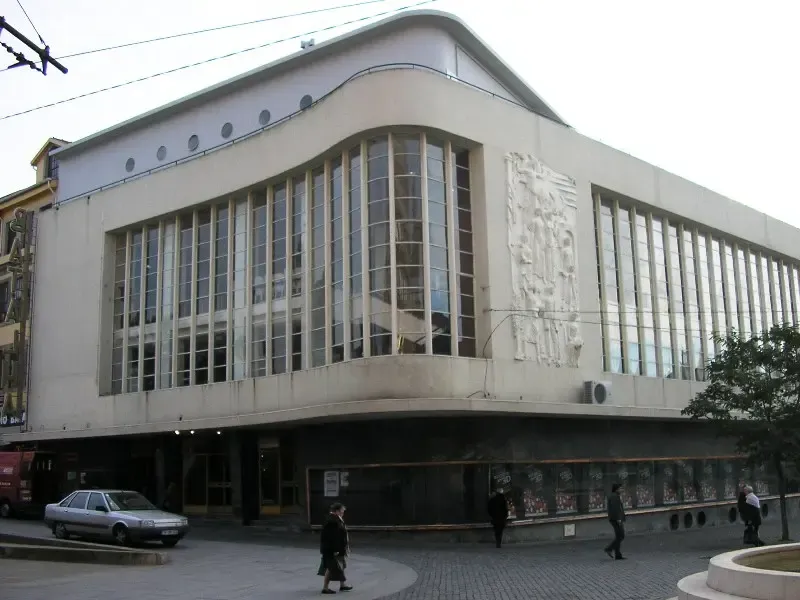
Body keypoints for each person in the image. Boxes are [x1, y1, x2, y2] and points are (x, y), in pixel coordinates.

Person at [318, 502, 352, 594]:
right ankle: (325, 588)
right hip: (332, 549)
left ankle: (342, 585)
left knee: (341, 565)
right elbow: (333, 537)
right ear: (337, 511)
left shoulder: (335, 519)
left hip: (337, 548)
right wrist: (335, 550)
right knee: (330, 567)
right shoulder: (332, 521)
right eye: (342, 511)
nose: (343, 513)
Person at [603, 483, 626, 560]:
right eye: (620, 488)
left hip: (616, 519)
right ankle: (609, 548)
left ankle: (618, 555)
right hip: (616, 519)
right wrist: (619, 519)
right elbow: (616, 509)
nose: (622, 490)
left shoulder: (616, 496)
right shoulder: (614, 497)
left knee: (618, 536)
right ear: (616, 489)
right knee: (621, 536)